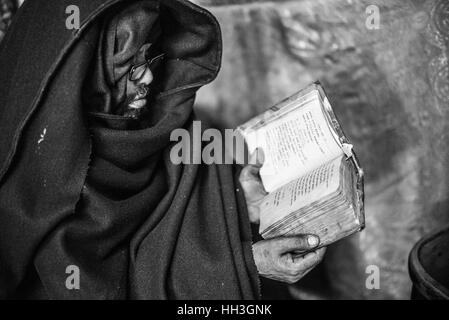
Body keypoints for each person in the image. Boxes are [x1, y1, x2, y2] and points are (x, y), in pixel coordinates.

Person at [0, 0, 324, 299]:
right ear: (82, 71)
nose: (149, 76)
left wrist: (244, 203)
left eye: (150, 57)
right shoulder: (42, 194)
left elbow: (183, 221)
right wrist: (243, 265)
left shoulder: (162, 126)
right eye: (129, 65)